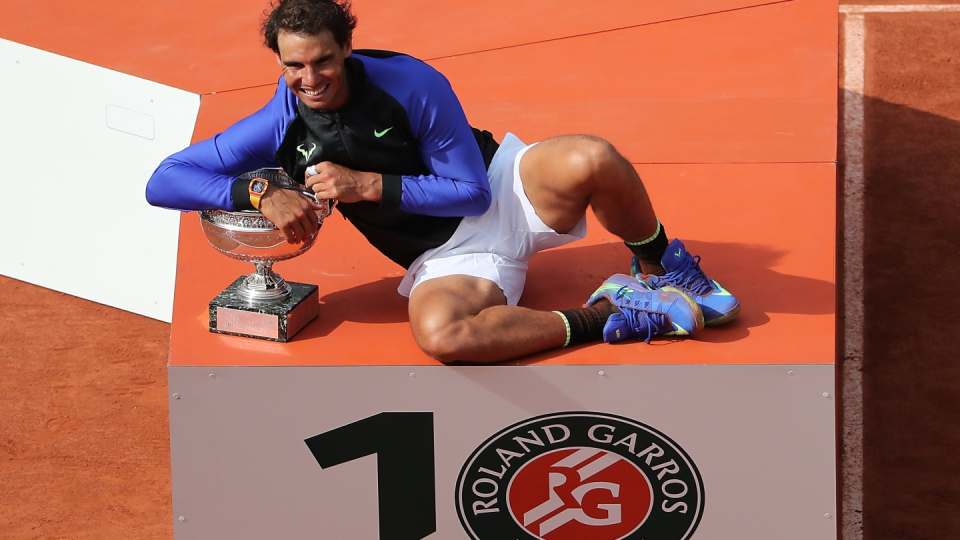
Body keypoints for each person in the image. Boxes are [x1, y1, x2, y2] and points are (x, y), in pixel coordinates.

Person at [145, 0, 739, 363]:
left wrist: (365, 185)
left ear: (346, 48)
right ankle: (618, 313)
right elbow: (164, 179)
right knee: (443, 336)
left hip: (503, 188)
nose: (310, 78)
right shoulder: (280, 120)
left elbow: (473, 191)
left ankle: (666, 267)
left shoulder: (409, 83)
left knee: (592, 156)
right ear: (278, 62)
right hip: (448, 256)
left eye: (322, 60)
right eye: (293, 66)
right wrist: (256, 191)